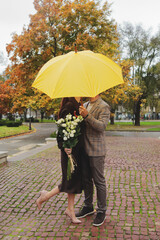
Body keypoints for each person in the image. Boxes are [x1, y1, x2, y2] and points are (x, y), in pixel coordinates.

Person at [36, 97, 84, 224]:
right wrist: (65, 145)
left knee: (72, 181)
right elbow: (61, 132)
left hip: (76, 151)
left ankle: (69, 209)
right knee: (69, 181)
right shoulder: (69, 106)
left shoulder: (79, 105)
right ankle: (45, 197)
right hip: (69, 151)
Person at [76, 94, 110, 227]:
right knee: (86, 180)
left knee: (99, 181)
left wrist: (87, 116)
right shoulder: (84, 105)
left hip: (97, 150)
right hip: (83, 149)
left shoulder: (104, 106)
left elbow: (102, 127)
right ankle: (88, 206)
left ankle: (101, 210)